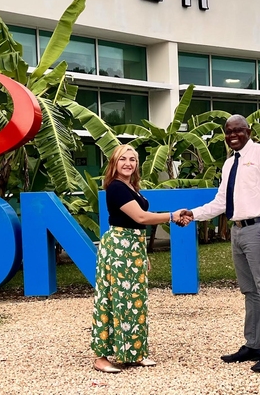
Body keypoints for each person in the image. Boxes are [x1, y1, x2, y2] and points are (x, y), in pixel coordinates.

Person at [174, 114, 260, 373]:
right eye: (228, 132)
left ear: (249, 131)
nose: (233, 135)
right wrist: (194, 214)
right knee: (250, 291)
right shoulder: (229, 164)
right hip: (238, 232)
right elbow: (221, 202)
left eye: (238, 130)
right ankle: (253, 345)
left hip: (259, 229)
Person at [91, 144, 182, 373]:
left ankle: (133, 353)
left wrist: (142, 255)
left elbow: (136, 225)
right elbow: (140, 217)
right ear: (114, 162)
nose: (128, 163)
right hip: (119, 249)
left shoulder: (131, 186)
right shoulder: (116, 188)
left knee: (134, 302)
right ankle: (101, 357)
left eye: (132, 159)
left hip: (133, 248)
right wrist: (172, 216)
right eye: (123, 159)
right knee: (112, 300)